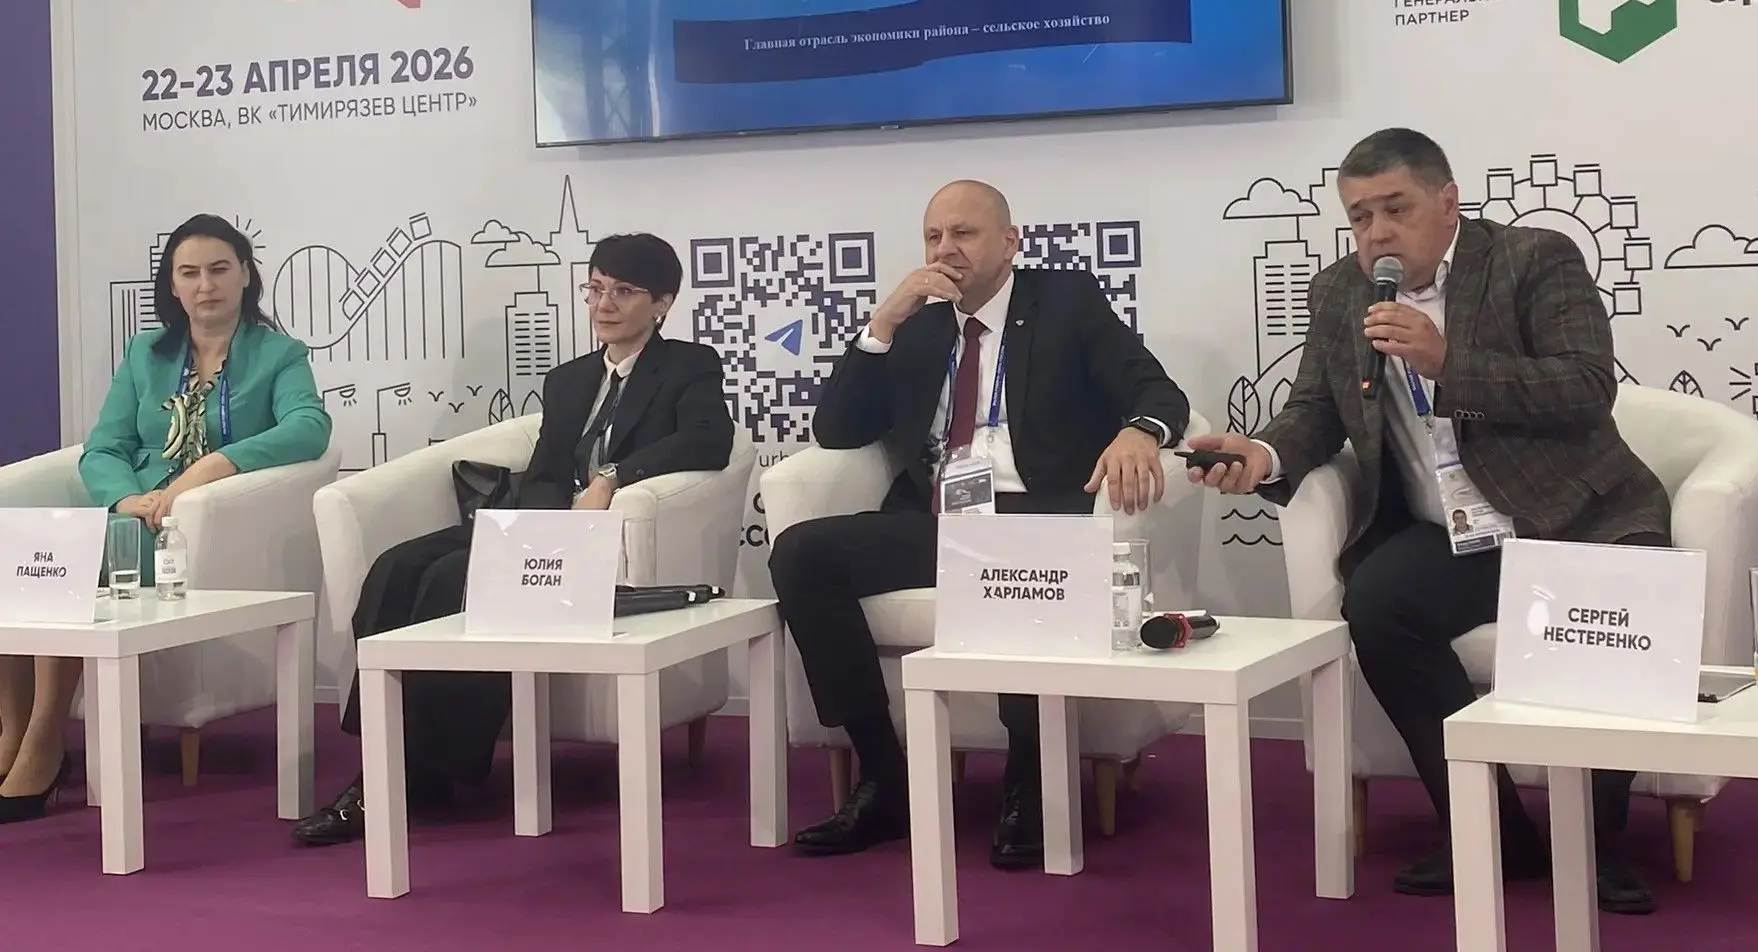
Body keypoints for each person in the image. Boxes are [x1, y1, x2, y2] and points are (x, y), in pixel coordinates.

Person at [1192, 129, 1668, 916]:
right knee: (1378, 604)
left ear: (1447, 202)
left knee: (1613, 601)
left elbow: (1586, 386)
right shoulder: (1341, 292)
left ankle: (1596, 843)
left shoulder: (1532, 258)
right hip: (1455, 530)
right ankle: (1491, 829)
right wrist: (1263, 454)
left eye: (1396, 209)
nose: (1377, 233)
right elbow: (1315, 410)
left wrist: (1449, 365)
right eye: (1359, 217)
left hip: (1579, 513)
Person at [770, 180, 1189, 867]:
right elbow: (838, 429)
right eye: (933, 236)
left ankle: (1029, 781)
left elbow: (1158, 391)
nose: (946, 249)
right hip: (942, 519)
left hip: (1036, 517)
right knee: (801, 555)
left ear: (1010, 241)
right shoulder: (921, 326)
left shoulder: (1065, 301)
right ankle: (885, 775)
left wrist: (1140, 430)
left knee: (1015, 569)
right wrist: (883, 324)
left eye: (963, 234)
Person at [294, 233, 734, 847]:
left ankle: (407, 776)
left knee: (452, 580)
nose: (603, 304)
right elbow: (547, 468)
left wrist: (613, 477)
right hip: (538, 525)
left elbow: (710, 440)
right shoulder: (569, 380)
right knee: (396, 567)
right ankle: (388, 752)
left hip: (599, 538)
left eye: (624, 292)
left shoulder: (688, 366)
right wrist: (528, 527)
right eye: (594, 288)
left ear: (662, 303)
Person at [0, 214, 331, 825]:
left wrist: (210, 468)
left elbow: (309, 428)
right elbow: (104, 447)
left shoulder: (279, 355)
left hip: (196, 524)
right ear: (172, 286)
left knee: (70, 560)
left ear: (246, 274)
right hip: (133, 512)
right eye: (190, 273)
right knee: (35, 552)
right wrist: (124, 498)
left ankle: (43, 744)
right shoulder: (145, 354)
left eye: (219, 269)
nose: (206, 285)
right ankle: (12, 735)